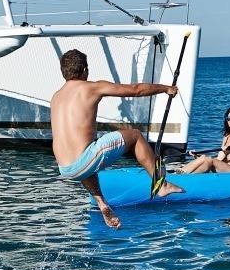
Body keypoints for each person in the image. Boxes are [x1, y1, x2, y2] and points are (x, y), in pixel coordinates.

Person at [50, 49, 185, 229]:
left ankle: (102, 204)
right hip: (83, 160)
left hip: (65, 168)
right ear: (84, 70)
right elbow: (135, 90)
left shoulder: (56, 97)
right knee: (135, 135)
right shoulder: (91, 87)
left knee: (85, 157)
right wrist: (166, 88)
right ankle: (162, 184)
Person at [179, 107, 230, 174]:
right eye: (229, 118)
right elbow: (219, 159)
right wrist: (197, 156)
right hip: (225, 168)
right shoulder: (227, 136)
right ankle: (182, 172)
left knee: (210, 160)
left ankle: (187, 177)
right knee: (205, 158)